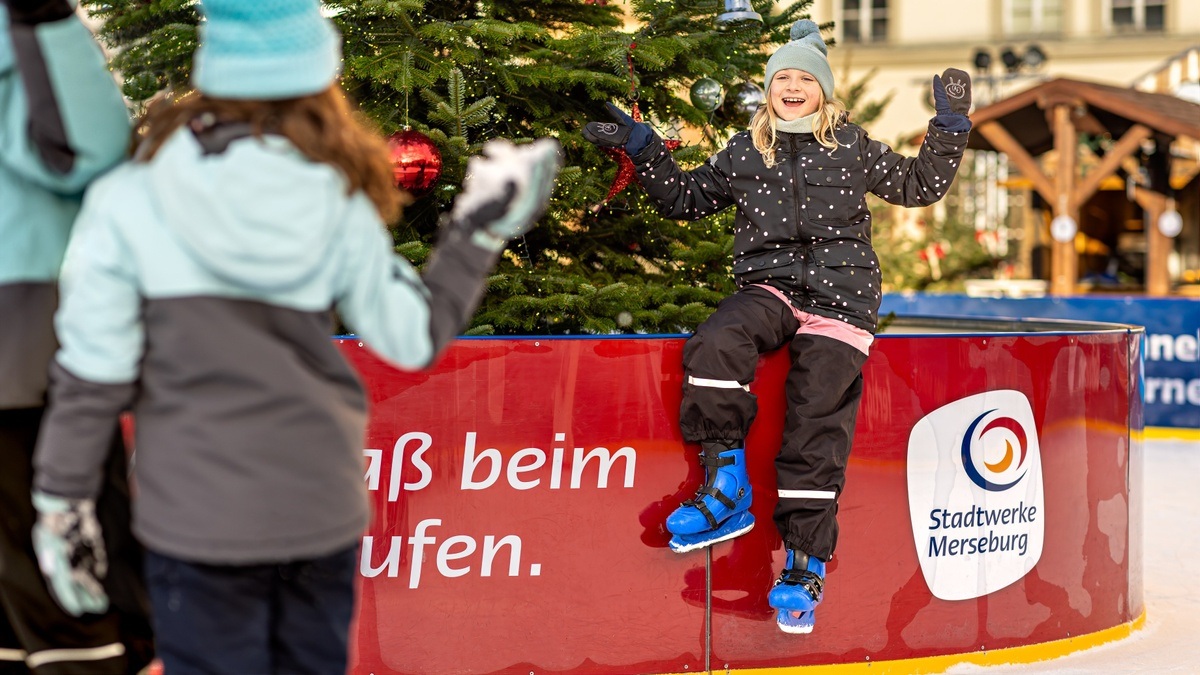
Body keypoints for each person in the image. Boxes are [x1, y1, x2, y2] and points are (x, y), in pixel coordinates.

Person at [28, 0, 562, 672]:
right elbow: (411, 336)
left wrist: (61, 500)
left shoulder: (131, 198)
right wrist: (477, 230)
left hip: (196, 517)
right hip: (316, 510)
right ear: (316, 78)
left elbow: (92, 370)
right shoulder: (330, 196)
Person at [584, 19, 972, 634]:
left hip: (841, 299)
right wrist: (642, 144)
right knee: (717, 341)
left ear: (823, 90)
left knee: (817, 417)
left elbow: (918, 185)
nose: (793, 87)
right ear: (768, 90)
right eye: (782, 79)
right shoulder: (745, 150)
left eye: (804, 79)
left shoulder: (852, 146)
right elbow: (686, 199)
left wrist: (948, 127)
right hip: (769, 289)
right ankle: (725, 484)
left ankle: (803, 563)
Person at [0, 1, 155, 672]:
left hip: (28, 356)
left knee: (56, 605)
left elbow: (86, 148)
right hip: (27, 358)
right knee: (72, 609)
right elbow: (90, 150)